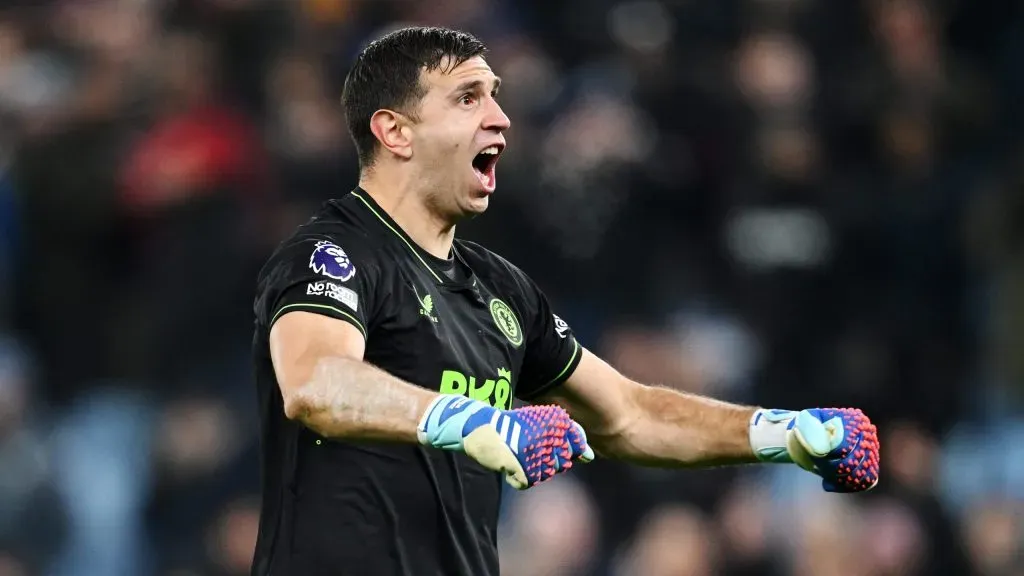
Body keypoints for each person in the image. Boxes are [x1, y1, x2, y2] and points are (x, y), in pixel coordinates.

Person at [250, 26, 880, 576]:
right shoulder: (333, 251)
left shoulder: (499, 289)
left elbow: (628, 415)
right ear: (394, 131)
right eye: (469, 98)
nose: (500, 118)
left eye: (495, 95)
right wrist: (475, 422)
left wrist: (781, 432)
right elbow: (315, 382)